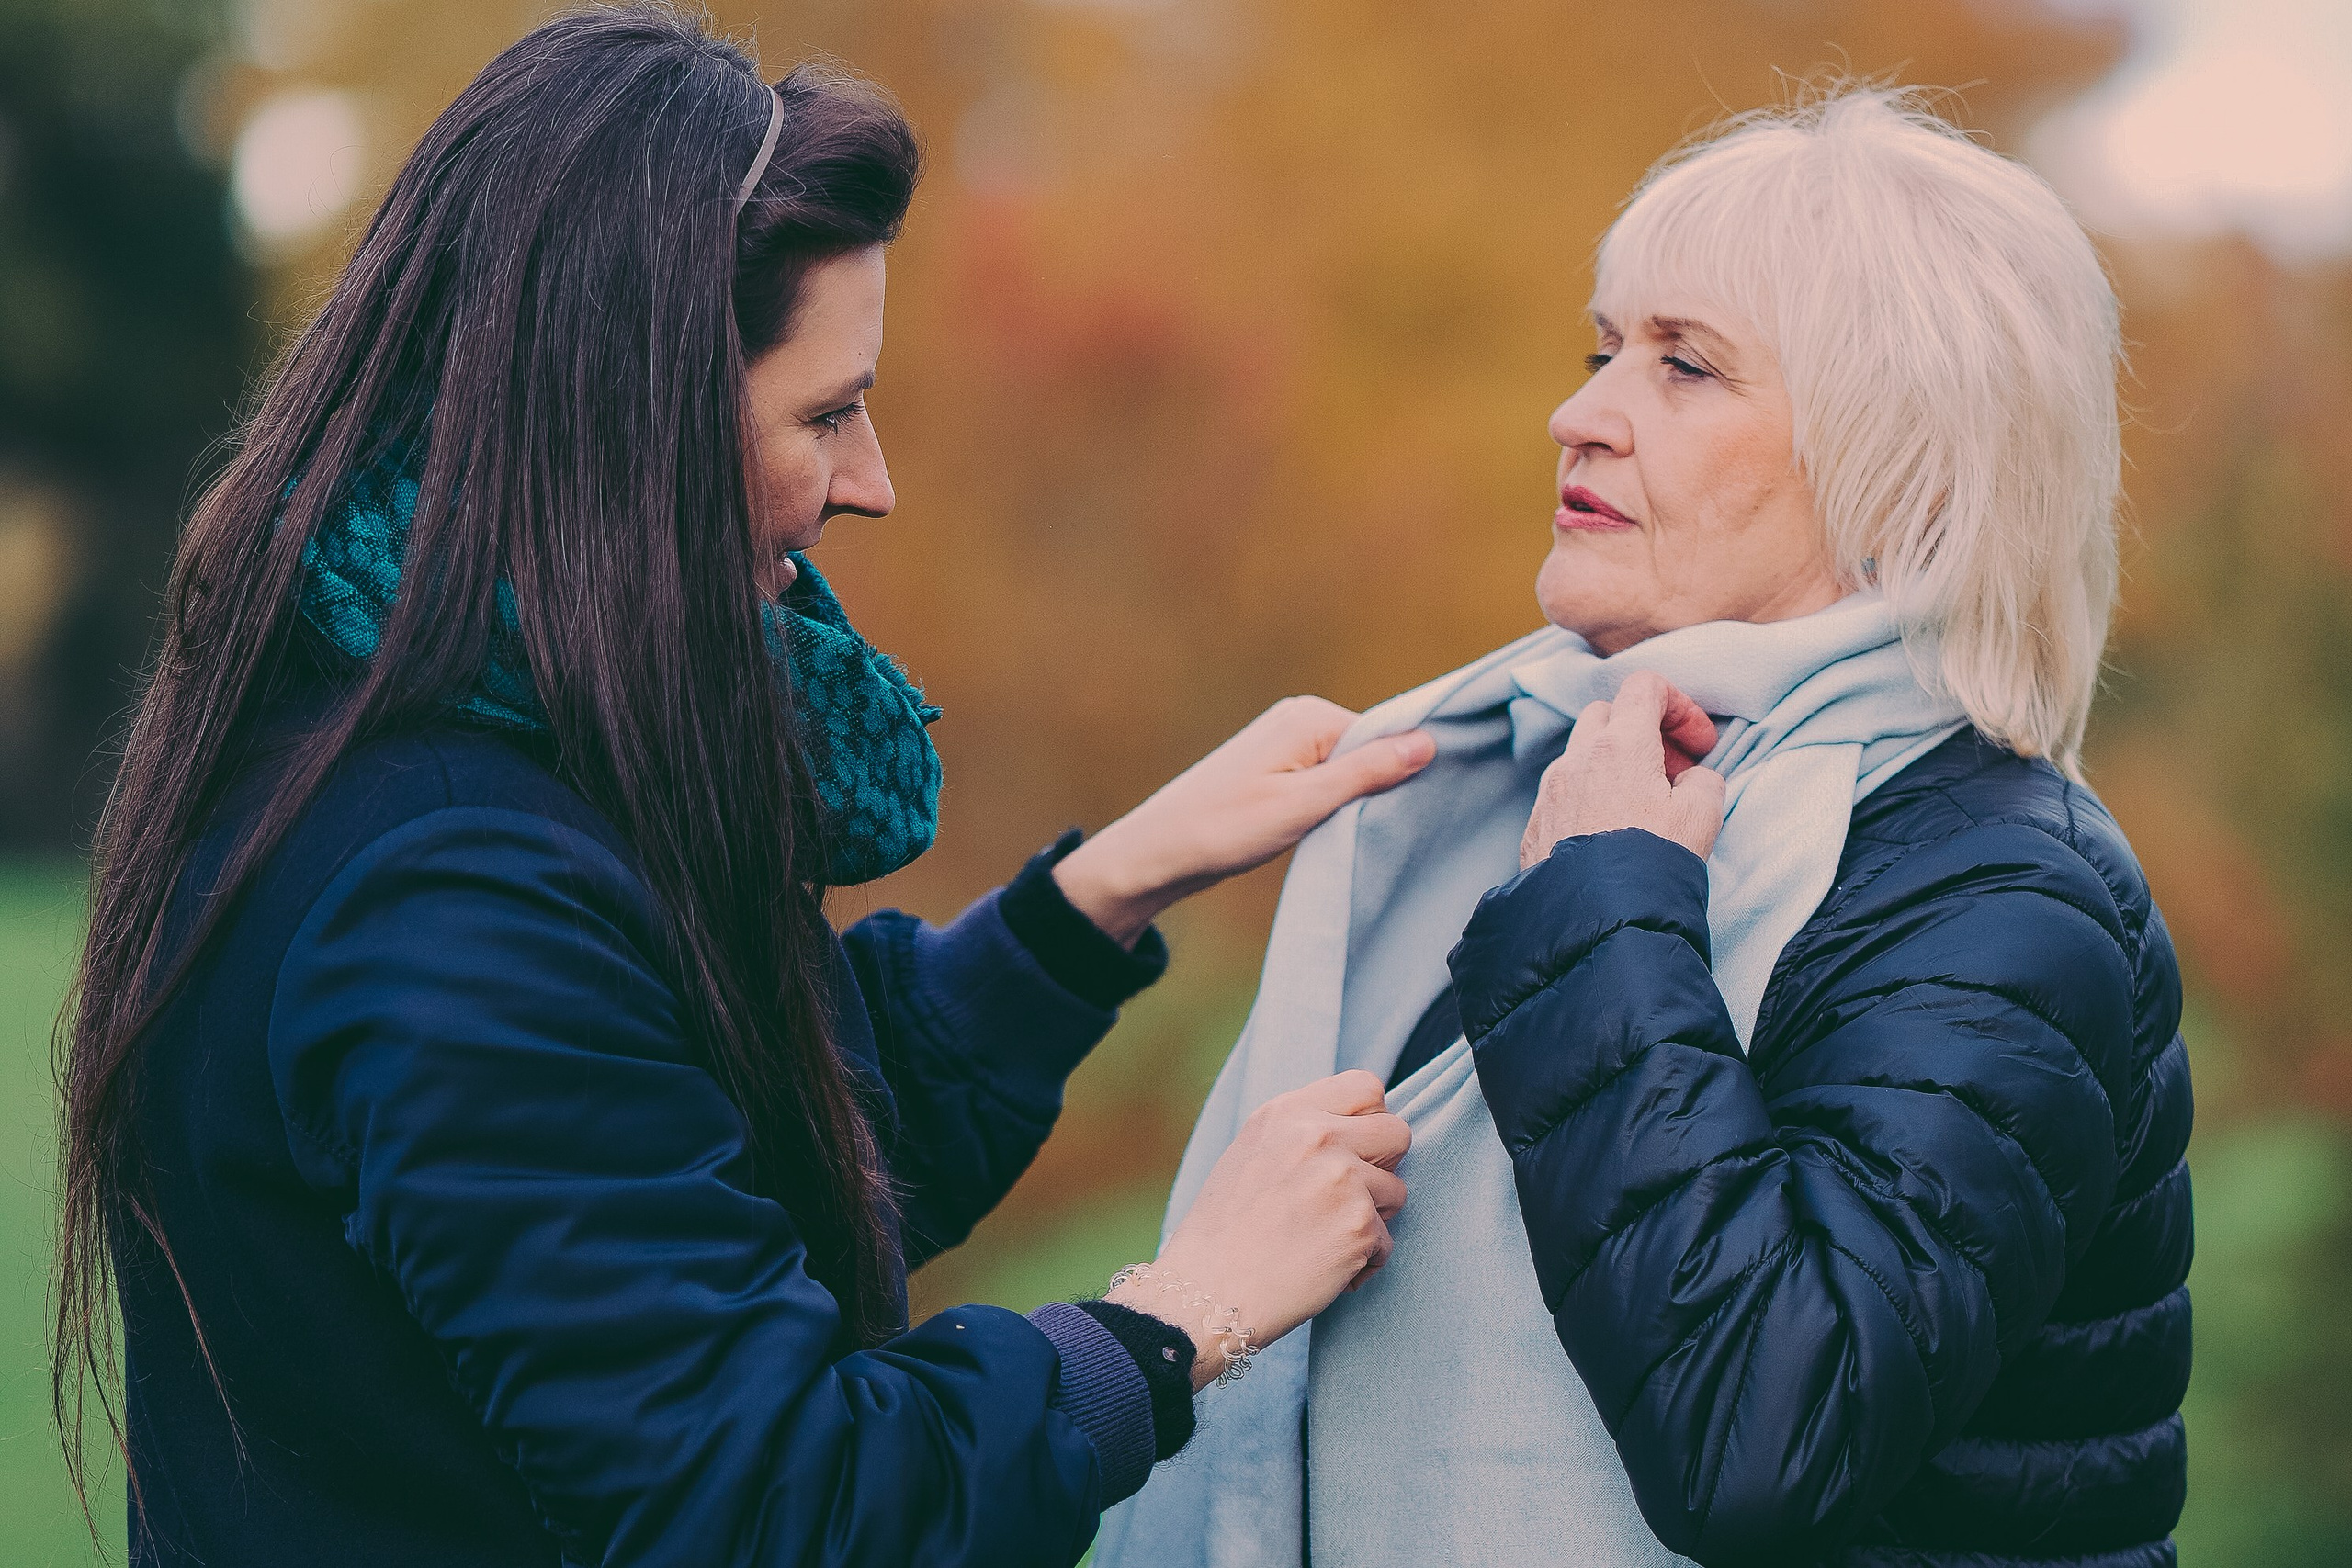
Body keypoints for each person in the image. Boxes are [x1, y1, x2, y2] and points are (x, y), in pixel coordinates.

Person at [51, 8, 1435, 1566]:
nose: (875, 479)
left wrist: (1101, 894)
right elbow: (773, 1508)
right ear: (629, 425)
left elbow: (720, 1166)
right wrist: (1186, 1316)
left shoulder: (450, 741)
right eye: (826, 413)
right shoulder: (442, 887)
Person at [1101, 87, 2189, 1568]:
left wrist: (1615, 904)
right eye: (1604, 349)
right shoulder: (1496, 782)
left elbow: (1765, 1439)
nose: (1583, 412)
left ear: (1906, 461)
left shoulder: (2003, 891)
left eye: (1686, 366)